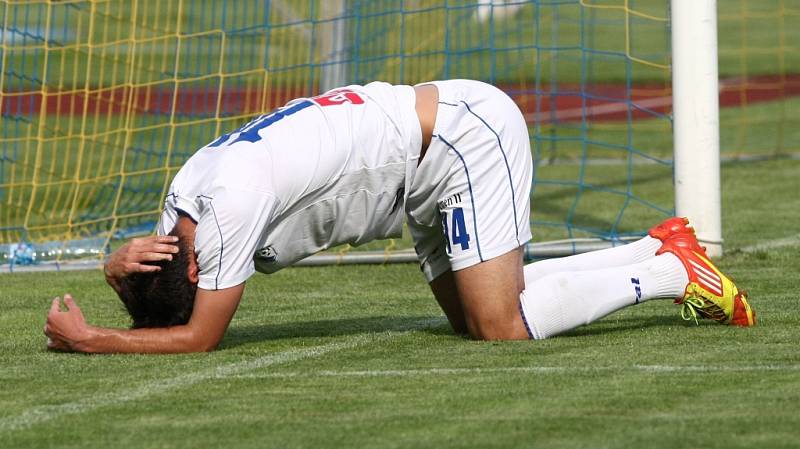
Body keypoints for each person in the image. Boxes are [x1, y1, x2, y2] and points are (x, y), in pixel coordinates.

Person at [44, 80, 755, 353]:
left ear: (191, 263)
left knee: (499, 326)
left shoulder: (222, 217)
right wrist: (113, 261)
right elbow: (159, 280)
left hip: (459, 140)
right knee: (474, 319)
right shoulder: (181, 203)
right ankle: (654, 245)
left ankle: (669, 273)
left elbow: (198, 336)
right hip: (419, 173)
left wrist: (91, 338)